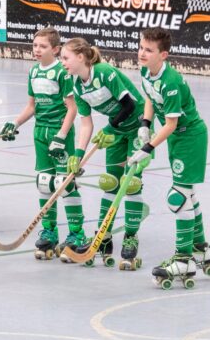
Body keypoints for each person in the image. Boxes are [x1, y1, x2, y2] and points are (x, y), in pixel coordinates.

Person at [130, 27, 210, 286]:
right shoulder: (146, 71)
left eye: (149, 50)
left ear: (163, 55)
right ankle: (201, 248)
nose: (142, 53)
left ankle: (183, 259)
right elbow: (149, 96)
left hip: (190, 137)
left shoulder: (171, 82)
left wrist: (146, 148)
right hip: (178, 138)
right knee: (187, 195)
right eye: (141, 47)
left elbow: (170, 124)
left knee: (177, 197)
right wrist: (145, 124)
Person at [0, 28, 87, 260]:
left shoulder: (62, 73)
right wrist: (15, 123)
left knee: (65, 183)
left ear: (55, 49)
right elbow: (32, 106)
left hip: (59, 131)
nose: (37, 50)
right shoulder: (34, 71)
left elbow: (72, 109)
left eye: (43, 46)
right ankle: (49, 231)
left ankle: (77, 233)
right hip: (40, 132)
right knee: (44, 182)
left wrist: (61, 136)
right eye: (35, 45)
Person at [60, 38, 147, 270]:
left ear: (81, 57)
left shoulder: (104, 72)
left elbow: (129, 105)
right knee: (110, 182)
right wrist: (78, 155)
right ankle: (103, 237)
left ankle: (131, 237)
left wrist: (109, 128)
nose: (62, 62)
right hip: (116, 129)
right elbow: (86, 124)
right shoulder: (77, 86)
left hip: (138, 125)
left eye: (65, 58)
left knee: (131, 183)